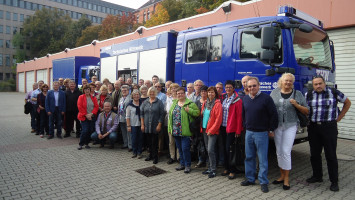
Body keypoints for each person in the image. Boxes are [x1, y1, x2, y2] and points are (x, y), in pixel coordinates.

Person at [305, 75, 351, 192]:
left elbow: (347, 103)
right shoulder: (308, 95)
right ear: (313, 85)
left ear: (324, 83)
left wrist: (339, 117)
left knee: (330, 155)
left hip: (329, 127)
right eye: (316, 84)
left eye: (320, 83)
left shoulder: (334, 92)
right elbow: (305, 109)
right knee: (314, 154)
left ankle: (334, 181)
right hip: (314, 127)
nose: (318, 86)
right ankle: (317, 176)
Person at [270, 73, 309, 190]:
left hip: (291, 125)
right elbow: (270, 110)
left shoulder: (298, 94)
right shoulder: (274, 92)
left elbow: (306, 111)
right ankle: (281, 175)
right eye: (286, 80)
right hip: (277, 126)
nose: (288, 83)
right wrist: (270, 127)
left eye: (290, 81)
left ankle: (287, 178)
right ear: (281, 81)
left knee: (286, 151)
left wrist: (296, 104)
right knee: (279, 151)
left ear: (292, 82)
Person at [241, 77, 278, 193]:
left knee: (262, 159)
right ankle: (250, 178)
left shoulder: (266, 99)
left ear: (259, 85)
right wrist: (245, 125)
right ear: (247, 87)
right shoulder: (245, 99)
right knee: (249, 157)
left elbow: (273, 115)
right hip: (249, 132)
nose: (252, 88)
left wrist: (271, 129)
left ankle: (263, 181)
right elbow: (243, 114)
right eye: (249, 86)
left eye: (254, 85)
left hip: (261, 133)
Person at [168, 87, 200, 173]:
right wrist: (170, 128)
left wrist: (189, 110)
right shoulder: (174, 103)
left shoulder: (190, 103)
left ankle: (188, 165)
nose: (180, 95)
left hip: (185, 131)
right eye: (178, 93)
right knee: (180, 148)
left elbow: (197, 113)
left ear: (184, 94)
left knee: (185, 149)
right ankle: (182, 164)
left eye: (181, 93)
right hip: (175, 130)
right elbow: (170, 117)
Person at [220, 80, 244, 179]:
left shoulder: (237, 100)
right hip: (222, 127)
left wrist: (238, 131)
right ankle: (226, 168)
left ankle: (233, 170)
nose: (228, 89)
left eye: (230, 87)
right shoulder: (224, 98)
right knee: (224, 149)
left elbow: (239, 117)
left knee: (231, 150)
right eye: (226, 87)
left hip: (232, 129)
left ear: (234, 88)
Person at [200, 86, 223, 178]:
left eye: (212, 92)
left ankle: (213, 170)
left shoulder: (217, 104)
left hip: (212, 130)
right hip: (205, 129)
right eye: (209, 92)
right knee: (207, 149)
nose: (210, 94)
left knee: (210, 150)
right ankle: (209, 168)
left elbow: (218, 119)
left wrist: (212, 130)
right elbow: (203, 114)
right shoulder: (205, 103)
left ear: (215, 93)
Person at [140, 87, 165, 164]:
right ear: (148, 93)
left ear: (155, 93)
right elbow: (142, 114)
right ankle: (150, 155)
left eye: (153, 92)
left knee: (155, 142)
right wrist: (142, 125)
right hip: (147, 125)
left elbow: (162, 114)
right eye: (150, 92)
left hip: (155, 125)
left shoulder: (159, 102)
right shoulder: (145, 102)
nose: (152, 94)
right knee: (149, 142)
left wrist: (159, 125)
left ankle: (155, 157)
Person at [77, 84, 99, 150]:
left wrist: (91, 114)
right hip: (83, 117)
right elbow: (80, 107)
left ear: (90, 90)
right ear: (83, 90)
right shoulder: (81, 97)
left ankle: (87, 143)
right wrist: (86, 115)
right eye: (86, 89)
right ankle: (81, 144)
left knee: (90, 130)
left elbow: (96, 106)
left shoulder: (93, 97)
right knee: (85, 130)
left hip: (91, 116)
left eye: (88, 89)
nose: (87, 91)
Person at [165, 83, 180, 164]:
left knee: (178, 140)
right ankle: (172, 156)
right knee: (171, 141)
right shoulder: (168, 98)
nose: (173, 89)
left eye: (175, 88)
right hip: (170, 122)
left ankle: (178, 157)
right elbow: (167, 109)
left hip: (178, 122)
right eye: (172, 88)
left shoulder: (180, 98)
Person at [194, 85, 208, 168]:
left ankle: (207, 161)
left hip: (207, 127)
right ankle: (200, 160)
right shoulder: (197, 102)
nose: (203, 93)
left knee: (207, 145)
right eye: (202, 91)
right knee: (200, 144)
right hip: (198, 126)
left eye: (205, 91)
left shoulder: (210, 102)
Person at [126, 90, 143, 158]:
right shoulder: (129, 105)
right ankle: (134, 152)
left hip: (141, 124)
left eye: (138, 94)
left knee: (140, 139)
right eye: (135, 95)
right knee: (134, 139)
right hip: (133, 124)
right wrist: (128, 125)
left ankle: (139, 152)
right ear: (132, 96)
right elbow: (127, 116)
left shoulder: (142, 103)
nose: (136, 96)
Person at [118, 85, 131, 150]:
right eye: (122, 90)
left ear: (128, 91)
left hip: (128, 118)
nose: (124, 92)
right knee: (123, 132)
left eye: (125, 90)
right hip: (121, 118)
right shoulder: (121, 98)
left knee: (129, 132)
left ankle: (130, 145)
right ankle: (125, 143)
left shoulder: (130, 98)